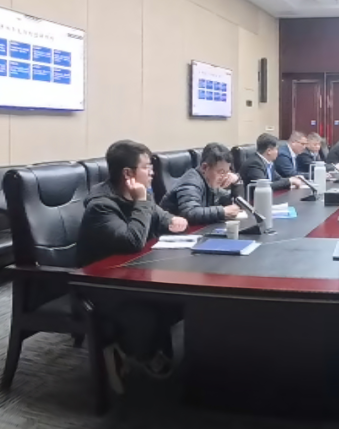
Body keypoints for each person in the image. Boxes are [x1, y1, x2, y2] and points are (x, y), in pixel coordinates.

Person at [76, 140, 187, 391]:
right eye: (147, 167)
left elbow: (161, 216)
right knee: (150, 311)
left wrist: (172, 219)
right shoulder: (101, 206)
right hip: (101, 284)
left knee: (179, 301)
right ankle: (123, 350)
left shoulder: (138, 194)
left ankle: (148, 350)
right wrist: (142, 201)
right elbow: (133, 241)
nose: (152, 173)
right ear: (128, 173)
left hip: (132, 274)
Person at [159, 142, 243, 225]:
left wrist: (236, 183)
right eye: (221, 172)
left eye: (227, 172)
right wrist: (222, 211)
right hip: (170, 231)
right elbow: (190, 212)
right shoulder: (191, 182)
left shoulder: (211, 183)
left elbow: (234, 204)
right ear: (204, 167)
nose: (225, 177)